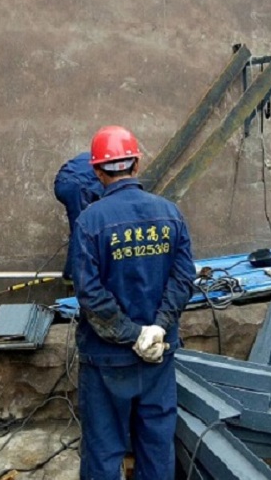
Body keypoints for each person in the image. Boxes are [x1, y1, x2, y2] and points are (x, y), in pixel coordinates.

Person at [70, 125, 196, 480]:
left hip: (106, 361)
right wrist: (156, 329)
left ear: (98, 172)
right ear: (136, 164)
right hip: (158, 354)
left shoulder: (89, 222)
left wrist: (130, 334)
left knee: (103, 451)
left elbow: (90, 294)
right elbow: (183, 278)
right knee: (156, 447)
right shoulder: (170, 214)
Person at [53, 152, 104, 281]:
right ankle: (72, 274)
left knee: (80, 228)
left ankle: (73, 272)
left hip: (61, 184)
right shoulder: (110, 168)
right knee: (82, 231)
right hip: (76, 186)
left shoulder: (94, 155)